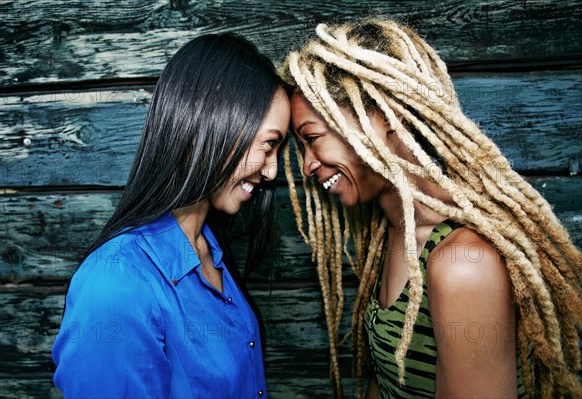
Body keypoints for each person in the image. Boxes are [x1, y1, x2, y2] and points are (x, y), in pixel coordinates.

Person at [280, 18, 582, 398]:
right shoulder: (394, 234)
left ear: (389, 118)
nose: (306, 166)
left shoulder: (462, 264)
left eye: (312, 139)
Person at [52, 32, 290, 398]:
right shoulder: (116, 284)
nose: (272, 171)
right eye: (269, 144)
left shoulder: (211, 249)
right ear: (212, 124)